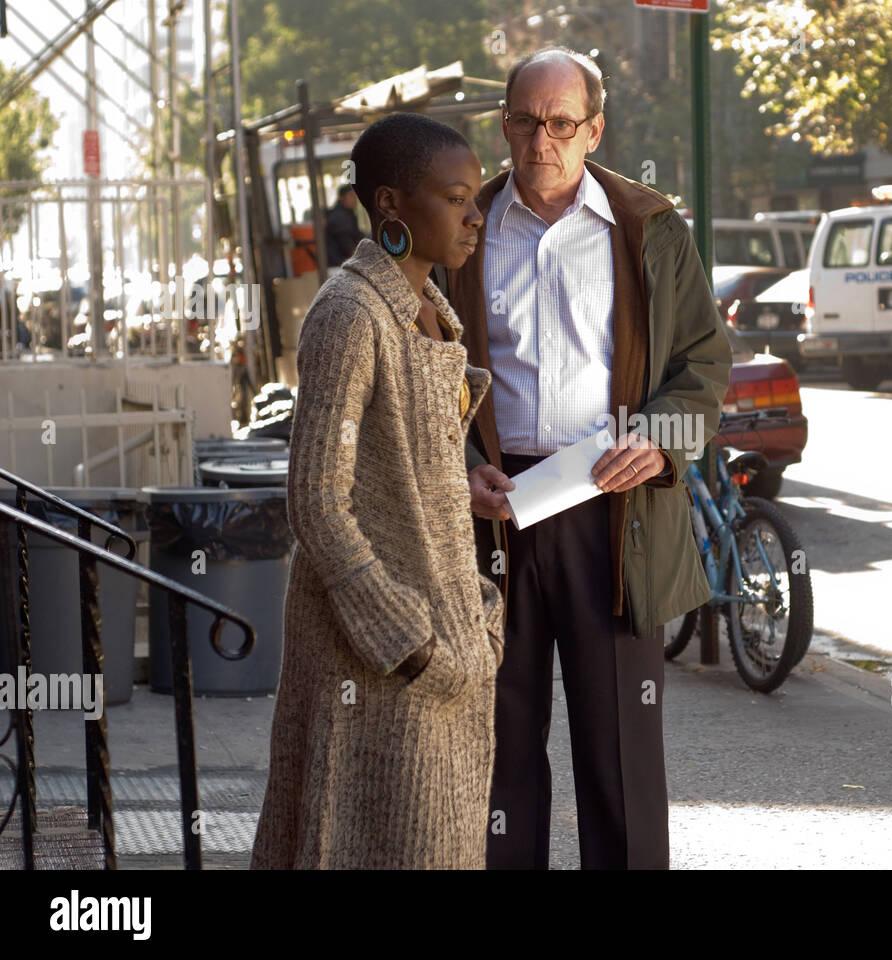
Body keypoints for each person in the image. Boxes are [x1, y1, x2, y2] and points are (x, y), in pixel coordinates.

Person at [443, 47, 731, 870]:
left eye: (561, 122)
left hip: (616, 515)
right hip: (494, 516)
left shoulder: (651, 227)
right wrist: (458, 465)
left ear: (594, 129)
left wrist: (663, 441)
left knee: (620, 758)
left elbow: (704, 365)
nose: (543, 139)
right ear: (504, 125)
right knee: (497, 748)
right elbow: (423, 369)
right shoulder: (463, 226)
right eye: (526, 121)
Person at [251, 113, 502, 869]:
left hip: (449, 647)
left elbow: (394, 467)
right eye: (455, 198)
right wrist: (408, 641)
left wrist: (462, 487)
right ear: (390, 203)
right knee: (365, 841)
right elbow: (316, 500)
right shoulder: (351, 311)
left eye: (474, 197)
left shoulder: (433, 308)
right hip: (379, 660)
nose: (475, 214)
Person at [325, 183, 366, 268]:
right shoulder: (339, 217)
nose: (355, 199)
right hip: (338, 266)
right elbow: (348, 247)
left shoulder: (348, 214)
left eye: (356, 196)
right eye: (351, 196)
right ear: (341, 198)